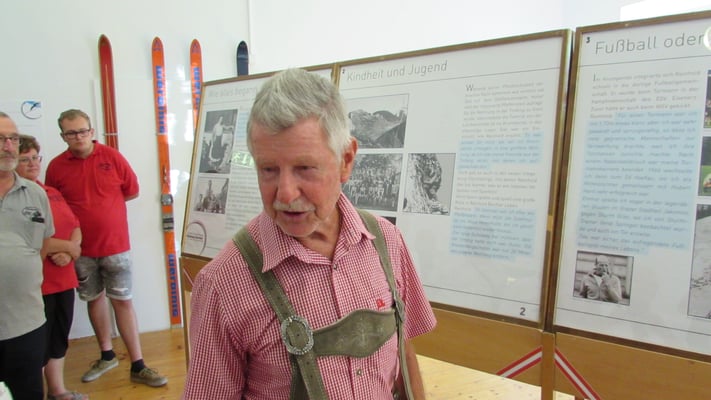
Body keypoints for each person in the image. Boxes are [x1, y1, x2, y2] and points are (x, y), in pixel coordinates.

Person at [183, 69, 437, 399]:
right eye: (268, 169)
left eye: (304, 168)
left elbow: (404, 349)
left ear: (346, 160)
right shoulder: (224, 284)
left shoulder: (387, 243)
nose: (286, 193)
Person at [45, 109, 167, 388]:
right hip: (80, 250)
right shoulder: (55, 167)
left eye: (83, 131)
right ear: (63, 136)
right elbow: (54, 206)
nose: (78, 137)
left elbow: (132, 190)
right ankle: (107, 355)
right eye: (71, 133)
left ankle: (138, 364)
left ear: (92, 131)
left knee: (123, 301)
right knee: (94, 299)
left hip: (116, 246)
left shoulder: (112, 157)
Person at [16, 135, 88, 400]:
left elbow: (75, 224)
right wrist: (69, 248)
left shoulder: (51, 192)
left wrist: (70, 250)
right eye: (25, 159)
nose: (33, 163)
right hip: (38, 283)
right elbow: (28, 237)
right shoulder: (15, 198)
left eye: (36, 157)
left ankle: (57, 391)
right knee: (37, 343)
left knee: (59, 335)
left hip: (64, 279)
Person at [0, 112, 54, 400]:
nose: (8, 146)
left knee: (29, 393)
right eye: (1, 139)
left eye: (13, 138)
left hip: (27, 323)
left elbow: (40, 247)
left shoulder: (35, 194)